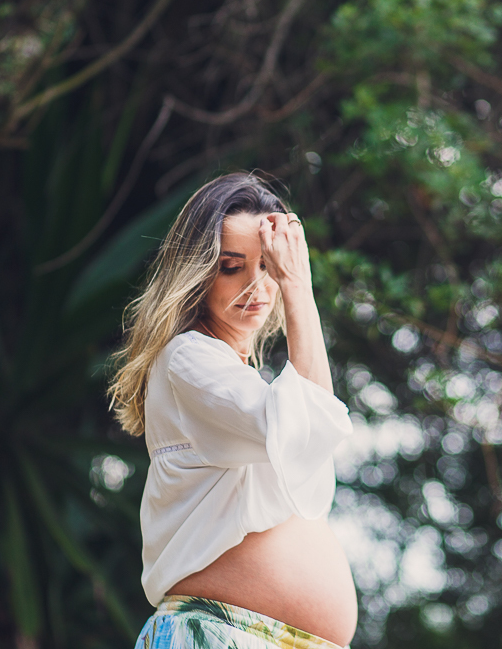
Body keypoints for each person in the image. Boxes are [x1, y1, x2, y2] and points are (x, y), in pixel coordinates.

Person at [109, 172, 357, 649]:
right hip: (219, 633)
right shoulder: (187, 357)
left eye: (268, 266)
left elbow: (309, 426)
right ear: (197, 273)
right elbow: (312, 420)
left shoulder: (236, 375)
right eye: (231, 267)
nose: (256, 286)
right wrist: (298, 285)